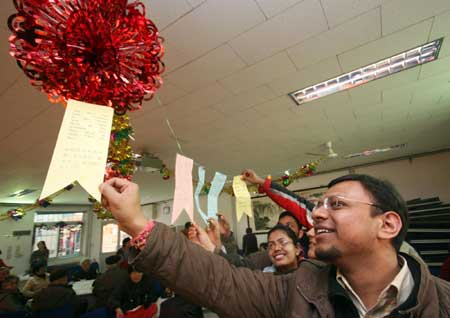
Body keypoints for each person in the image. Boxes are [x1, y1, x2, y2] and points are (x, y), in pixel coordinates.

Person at [99, 175, 450, 318]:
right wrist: (136, 224)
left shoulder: (443, 301)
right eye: (318, 207)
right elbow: (221, 282)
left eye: (336, 205)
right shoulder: (296, 290)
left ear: (387, 224)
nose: (316, 216)